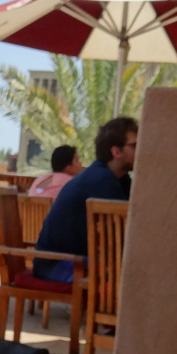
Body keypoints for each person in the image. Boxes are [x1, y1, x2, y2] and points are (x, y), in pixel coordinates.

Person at [32, 117, 138, 283]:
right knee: (131, 274)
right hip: (57, 264)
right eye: (135, 146)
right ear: (116, 152)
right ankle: (98, 309)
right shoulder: (101, 181)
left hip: (73, 259)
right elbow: (127, 233)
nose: (142, 150)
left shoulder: (118, 178)